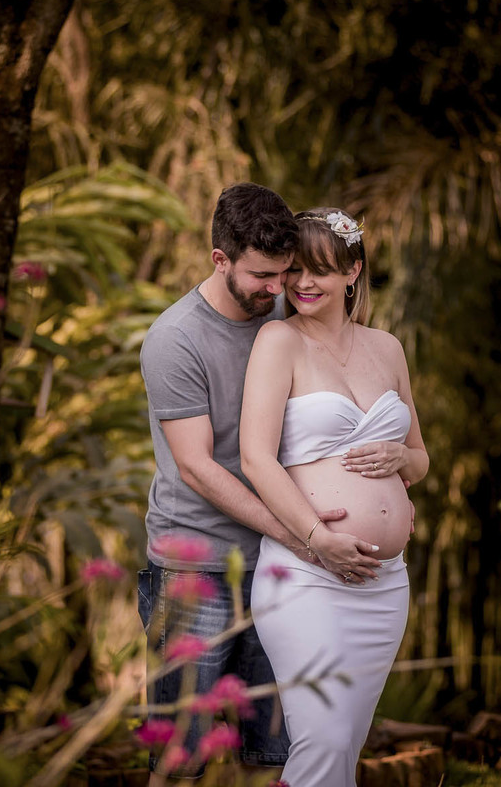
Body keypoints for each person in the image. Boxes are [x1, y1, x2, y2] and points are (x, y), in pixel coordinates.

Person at [138, 185, 386, 783]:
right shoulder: (175, 340)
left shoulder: (283, 313)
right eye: (261, 276)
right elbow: (198, 467)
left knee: (271, 754)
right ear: (220, 259)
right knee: (183, 757)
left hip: (285, 570)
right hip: (197, 567)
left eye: (285, 273)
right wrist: (304, 534)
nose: (277, 289)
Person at [241, 207, 429, 786]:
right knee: (322, 739)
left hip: (384, 583)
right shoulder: (279, 341)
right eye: (293, 269)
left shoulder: (387, 348)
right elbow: (255, 458)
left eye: (319, 270)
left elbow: (420, 460)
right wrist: (320, 539)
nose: (301, 283)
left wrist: (402, 459)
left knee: (341, 745)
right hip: (307, 575)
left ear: (352, 272)